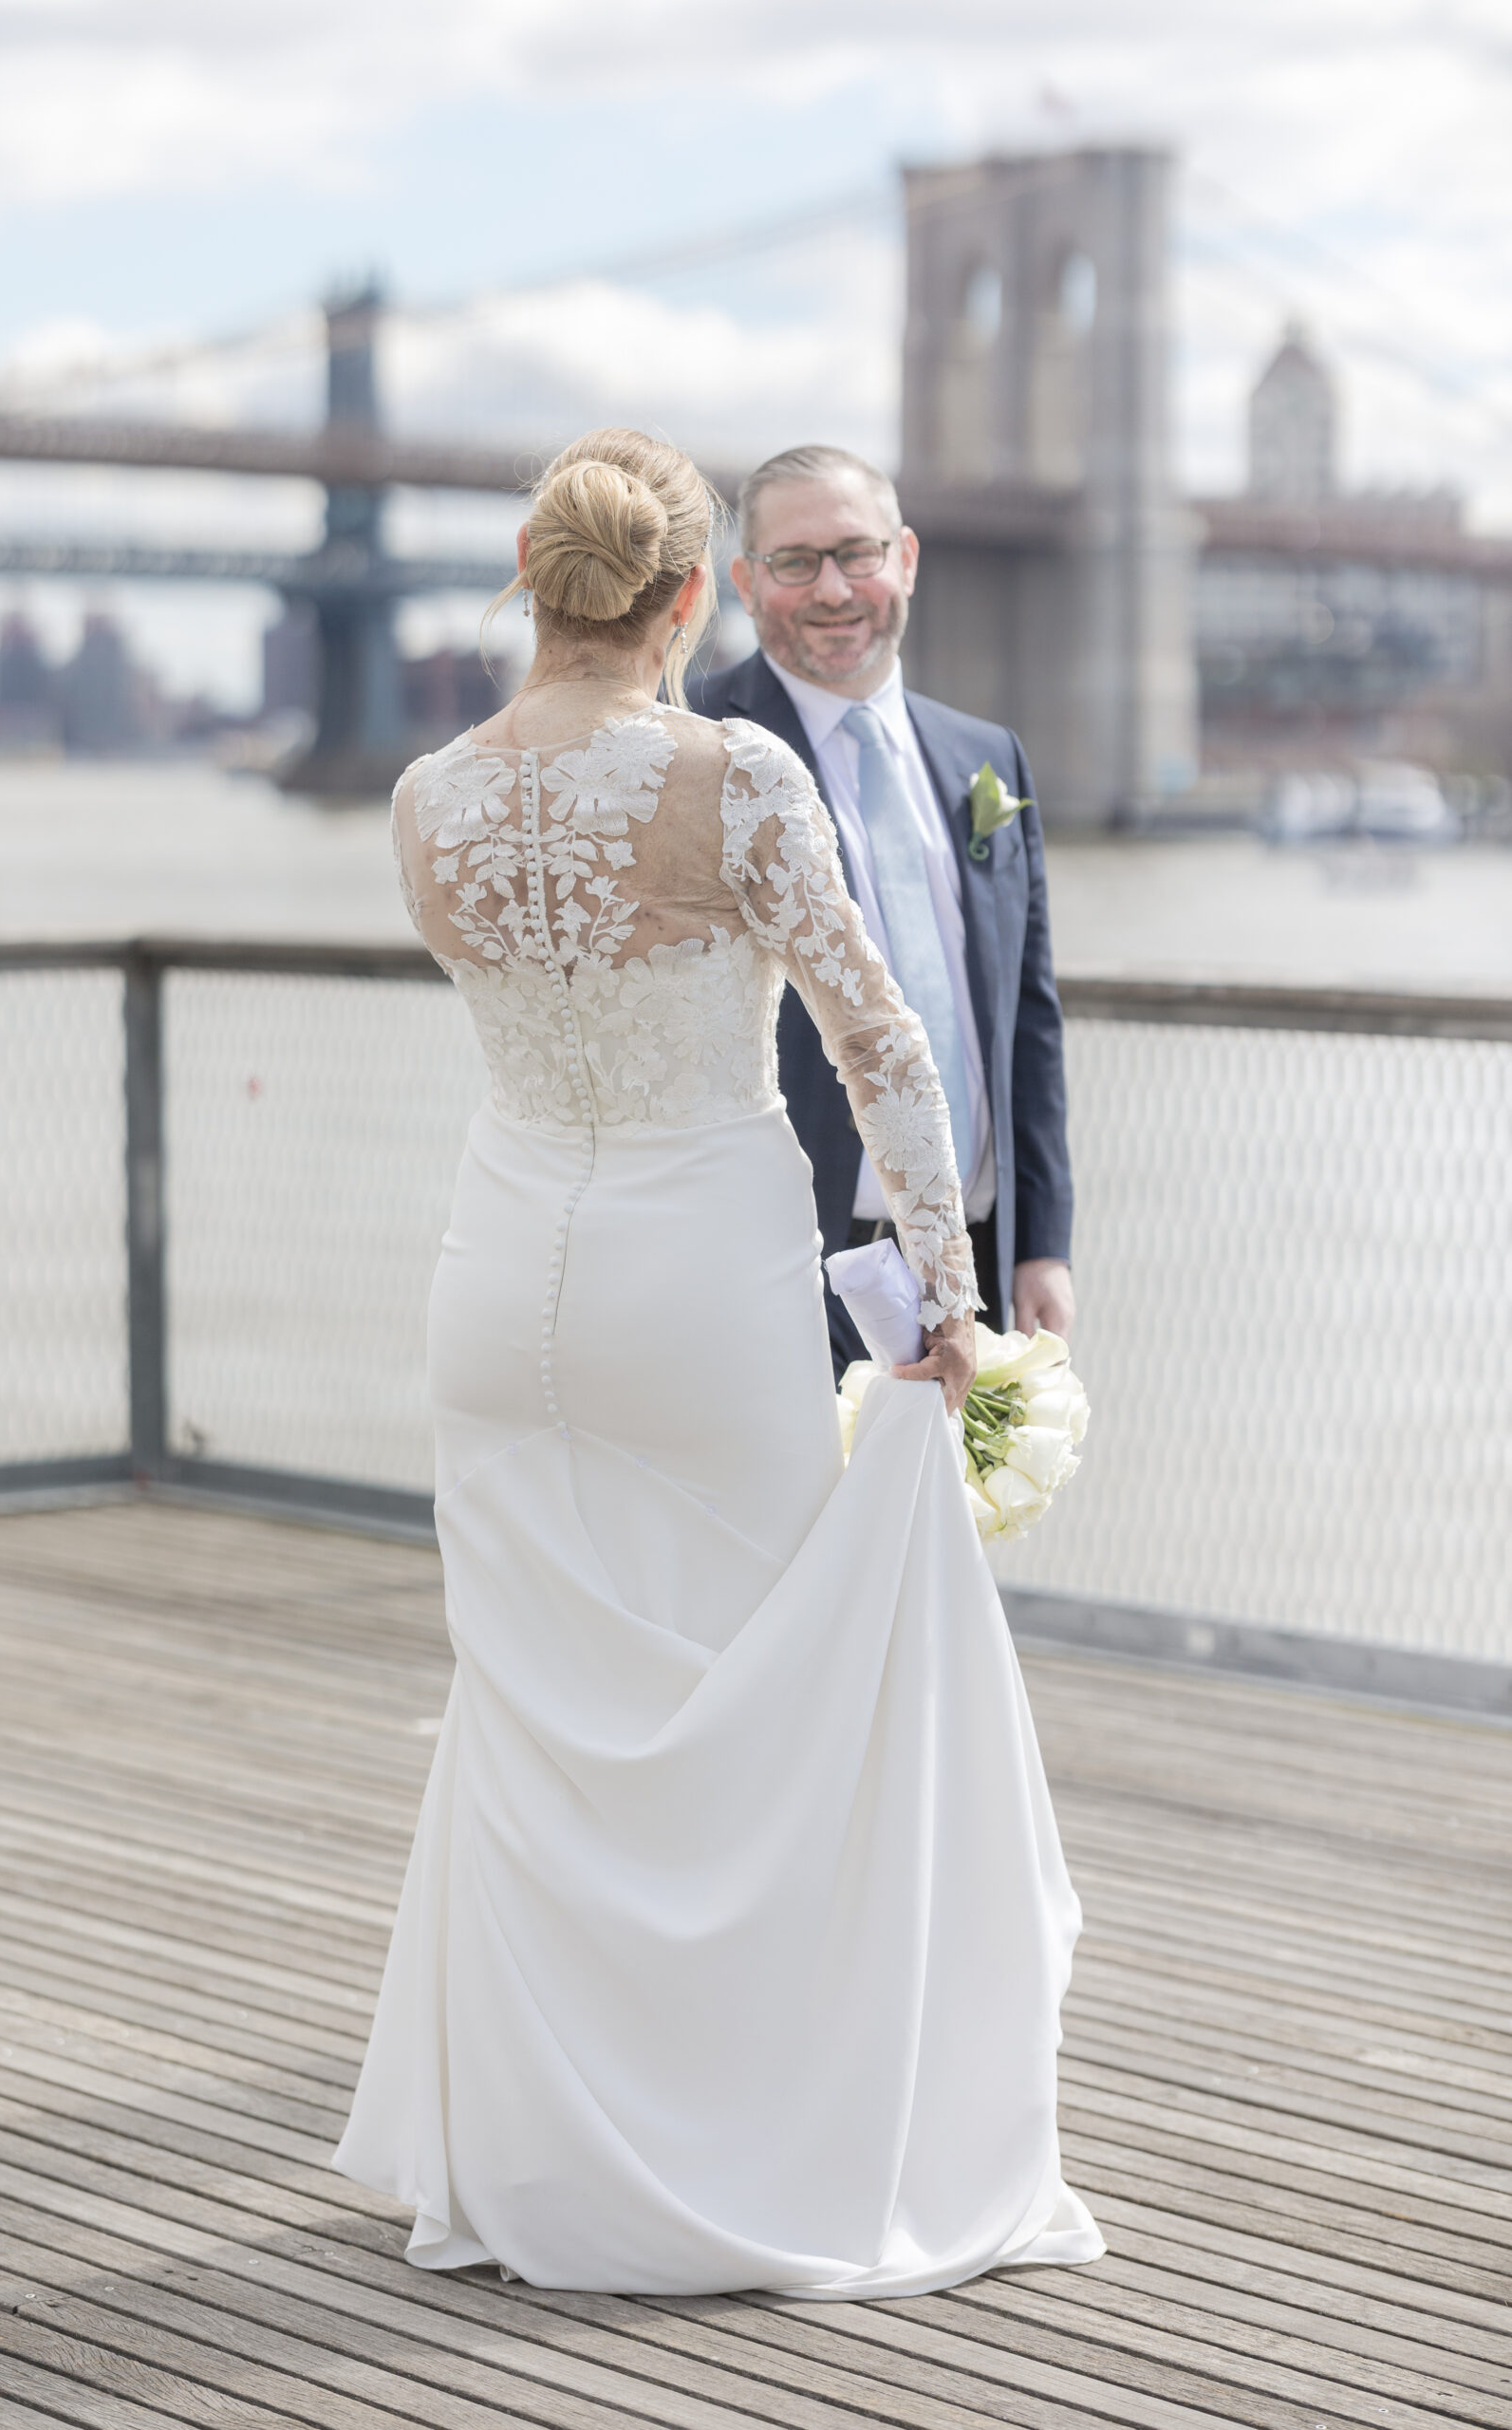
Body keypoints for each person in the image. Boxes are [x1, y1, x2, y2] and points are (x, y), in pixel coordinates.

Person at [332, 426, 1102, 2297]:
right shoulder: (734, 769)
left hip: (500, 1275)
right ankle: (731, 2137)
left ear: (533, 577)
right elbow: (885, 1048)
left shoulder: (428, 796)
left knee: (536, 1699)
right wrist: (944, 1298)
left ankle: (546, 2154)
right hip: (696, 1274)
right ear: (695, 596)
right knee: (753, 1704)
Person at [691, 444, 1073, 1375]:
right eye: (794, 562)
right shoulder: (692, 749)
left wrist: (1042, 1240)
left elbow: (1028, 1015)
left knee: (950, 1524)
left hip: (975, 1258)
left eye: (857, 554)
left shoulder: (988, 757)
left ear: (905, 558)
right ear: (745, 581)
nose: (833, 589)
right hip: (775, 1259)